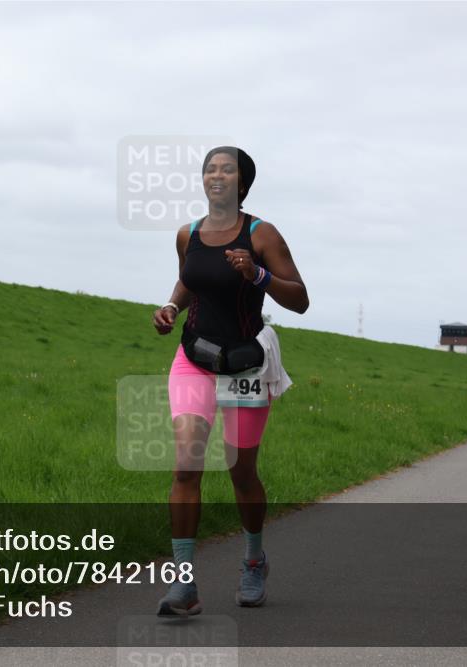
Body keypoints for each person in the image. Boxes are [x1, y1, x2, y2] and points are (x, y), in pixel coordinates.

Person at [151, 146, 308, 615]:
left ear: (243, 182)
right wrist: (171, 308)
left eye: (227, 170)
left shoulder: (263, 234)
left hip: (245, 366)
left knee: (241, 472)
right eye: (210, 169)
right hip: (194, 358)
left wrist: (257, 273)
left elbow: (299, 299)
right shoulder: (188, 234)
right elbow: (190, 279)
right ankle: (183, 585)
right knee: (185, 466)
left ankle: (254, 560)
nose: (216, 176)